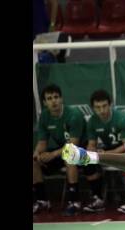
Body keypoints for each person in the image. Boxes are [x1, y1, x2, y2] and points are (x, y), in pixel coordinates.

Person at [32, 84, 97, 216]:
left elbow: (73, 145)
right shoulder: (44, 116)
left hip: (82, 150)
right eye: (49, 98)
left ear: (61, 99)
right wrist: (37, 154)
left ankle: (74, 202)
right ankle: (42, 200)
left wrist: (52, 155)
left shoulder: (74, 115)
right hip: (62, 149)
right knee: (34, 161)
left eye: (56, 97)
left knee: (70, 157)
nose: (53, 101)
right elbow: (42, 143)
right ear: (44, 103)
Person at [82, 89, 125, 212]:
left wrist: (106, 154)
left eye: (104, 106)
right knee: (87, 161)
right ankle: (97, 198)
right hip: (107, 150)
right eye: (97, 107)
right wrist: (92, 152)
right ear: (93, 108)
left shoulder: (122, 118)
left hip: (122, 151)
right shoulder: (92, 121)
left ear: (110, 104)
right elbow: (91, 144)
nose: (102, 110)